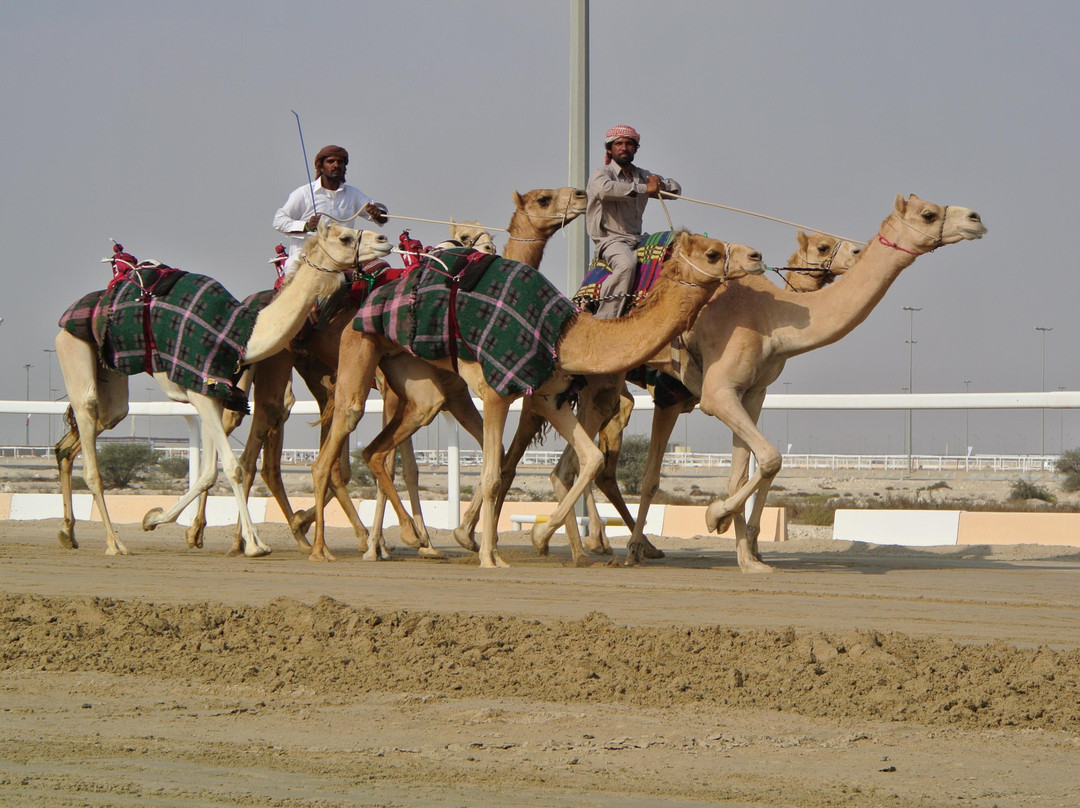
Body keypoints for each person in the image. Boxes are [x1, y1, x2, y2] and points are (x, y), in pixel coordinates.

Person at [586, 125, 682, 318]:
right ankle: (606, 320)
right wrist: (645, 188)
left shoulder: (641, 174)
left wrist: (660, 185)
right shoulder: (602, 174)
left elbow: (676, 190)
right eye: (618, 143)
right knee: (626, 265)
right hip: (611, 240)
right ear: (609, 149)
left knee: (679, 251)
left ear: (636, 148)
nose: (624, 147)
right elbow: (606, 189)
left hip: (638, 239)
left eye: (629, 143)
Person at [272, 144, 389, 275]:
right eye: (330, 161)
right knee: (297, 283)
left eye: (340, 162)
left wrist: (377, 214)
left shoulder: (353, 194)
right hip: (307, 257)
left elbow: (380, 214)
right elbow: (278, 221)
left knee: (378, 271)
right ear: (321, 167)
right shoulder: (304, 193)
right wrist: (306, 226)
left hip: (344, 257)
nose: (336, 165)